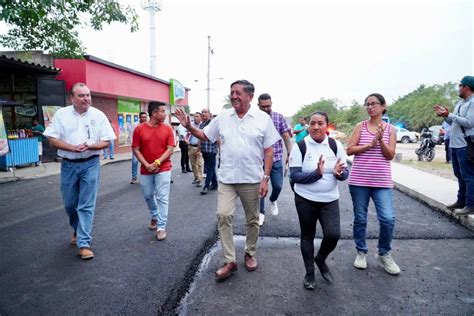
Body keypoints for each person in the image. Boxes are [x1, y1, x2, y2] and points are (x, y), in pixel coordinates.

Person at [174, 79, 280, 281]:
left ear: (250, 96)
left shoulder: (262, 119)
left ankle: (250, 253)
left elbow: (269, 151)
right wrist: (188, 126)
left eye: (238, 93)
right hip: (227, 178)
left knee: (252, 220)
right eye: (232, 92)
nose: (233, 96)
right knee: (223, 216)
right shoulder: (223, 117)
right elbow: (205, 135)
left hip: (251, 179)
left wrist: (265, 178)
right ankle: (229, 260)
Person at [43, 83, 116, 260]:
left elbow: (107, 141)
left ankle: (84, 243)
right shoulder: (62, 114)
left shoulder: (98, 115)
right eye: (82, 95)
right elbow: (52, 139)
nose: (87, 99)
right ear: (72, 98)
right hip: (68, 164)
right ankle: (77, 229)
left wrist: (91, 145)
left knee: (86, 205)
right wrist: (72, 148)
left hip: (91, 164)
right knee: (70, 204)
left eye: (88, 95)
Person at [289, 111, 348, 290]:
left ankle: (320, 258)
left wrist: (340, 174)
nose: (316, 127)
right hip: (305, 198)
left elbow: (345, 172)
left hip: (329, 198)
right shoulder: (300, 146)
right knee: (307, 235)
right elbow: (295, 176)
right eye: (312, 123)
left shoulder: (335, 144)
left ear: (326, 125)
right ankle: (309, 273)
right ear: (308, 126)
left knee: (333, 235)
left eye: (320, 123)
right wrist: (316, 174)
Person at [346, 93, 400, 275]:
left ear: (383, 106)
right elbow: (349, 150)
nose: (370, 107)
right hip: (359, 180)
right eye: (367, 104)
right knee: (360, 218)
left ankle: (384, 253)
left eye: (374, 104)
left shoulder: (391, 129)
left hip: (382, 181)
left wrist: (380, 141)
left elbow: (390, 155)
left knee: (387, 218)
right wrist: (370, 144)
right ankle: (361, 252)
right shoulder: (359, 126)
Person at [132, 101, 175, 241]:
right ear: (154, 113)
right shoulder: (139, 129)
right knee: (148, 195)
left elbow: (170, 148)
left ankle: (161, 227)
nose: (165, 114)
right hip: (146, 168)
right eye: (162, 111)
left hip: (163, 167)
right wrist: (146, 164)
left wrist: (157, 162)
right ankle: (155, 215)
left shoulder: (168, 129)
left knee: (162, 197)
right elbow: (136, 149)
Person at [434, 75, 474, 216]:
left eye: (460, 86)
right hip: (455, 144)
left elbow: (469, 123)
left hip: (465, 144)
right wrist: (445, 116)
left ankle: (471, 204)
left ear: (466, 87)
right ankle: (461, 201)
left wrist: (449, 114)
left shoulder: (473, 103)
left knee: (468, 175)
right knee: (459, 174)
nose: (458, 88)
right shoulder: (460, 103)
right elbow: (454, 123)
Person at [257, 93, 292, 226]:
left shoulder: (278, 117)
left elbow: (286, 137)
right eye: (263, 106)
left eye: (268, 106)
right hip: (258, 159)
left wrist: (289, 153)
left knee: (277, 186)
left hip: (276, 157)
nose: (266, 109)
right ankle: (261, 213)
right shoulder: (254, 117)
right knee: (259, 187)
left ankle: (273, 199)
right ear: (258, 105)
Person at [199, 108, 218, 195]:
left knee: (209, 168)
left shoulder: (213, 124)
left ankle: (206, 186)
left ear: (210, 114)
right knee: (210, 167)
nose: (203, 114)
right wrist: (199, 148)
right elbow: (200, 137)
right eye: (202, 112)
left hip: (211, 149)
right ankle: (215, 184)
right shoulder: (202, 124)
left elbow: (218, 136)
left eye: (205, 112)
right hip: (204, 149)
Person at [130, 112, 148, 184]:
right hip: (136, 147)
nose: (144, 118)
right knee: (135, 162)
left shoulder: (148, 125)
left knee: (146, 162)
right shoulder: (135, 125)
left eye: (145, 117)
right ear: (139, 118)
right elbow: (131, 135)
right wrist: (133, 146)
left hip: (145, 147)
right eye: (142, 117)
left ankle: (146, 177)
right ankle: (134, 177)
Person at [188, 112, 204, 187]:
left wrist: (199, 148)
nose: (195, 118)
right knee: (193, 164)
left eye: (197, 116)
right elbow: (187, 133)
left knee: (199, 164)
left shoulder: (202, 125)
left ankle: (200, 179)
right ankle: (196, 178)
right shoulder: (191, 125)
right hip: (191, 146)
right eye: (194, 116)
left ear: (200, 117)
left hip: (199, 147)